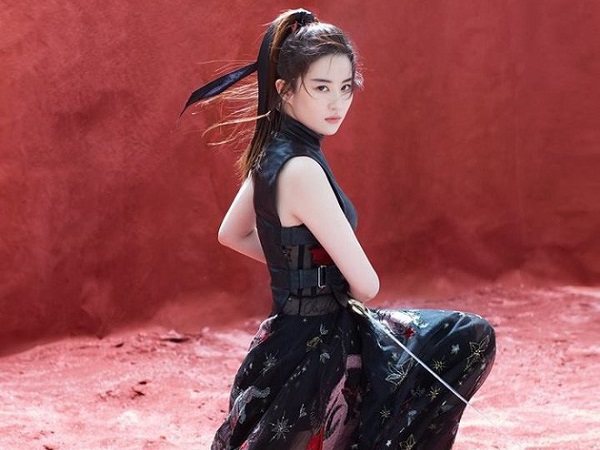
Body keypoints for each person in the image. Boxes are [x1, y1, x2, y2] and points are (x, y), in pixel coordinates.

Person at [181, 8, 496, 450]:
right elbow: (367, 285)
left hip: (284, 340)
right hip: (323, 348)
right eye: (322, 87)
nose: (337, 103)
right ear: (285, 90)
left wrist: (297, 273)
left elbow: (231, 234)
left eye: (346, 87)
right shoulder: (303, 170)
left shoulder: (269, 153)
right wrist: (322, 279)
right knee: (468, 335)